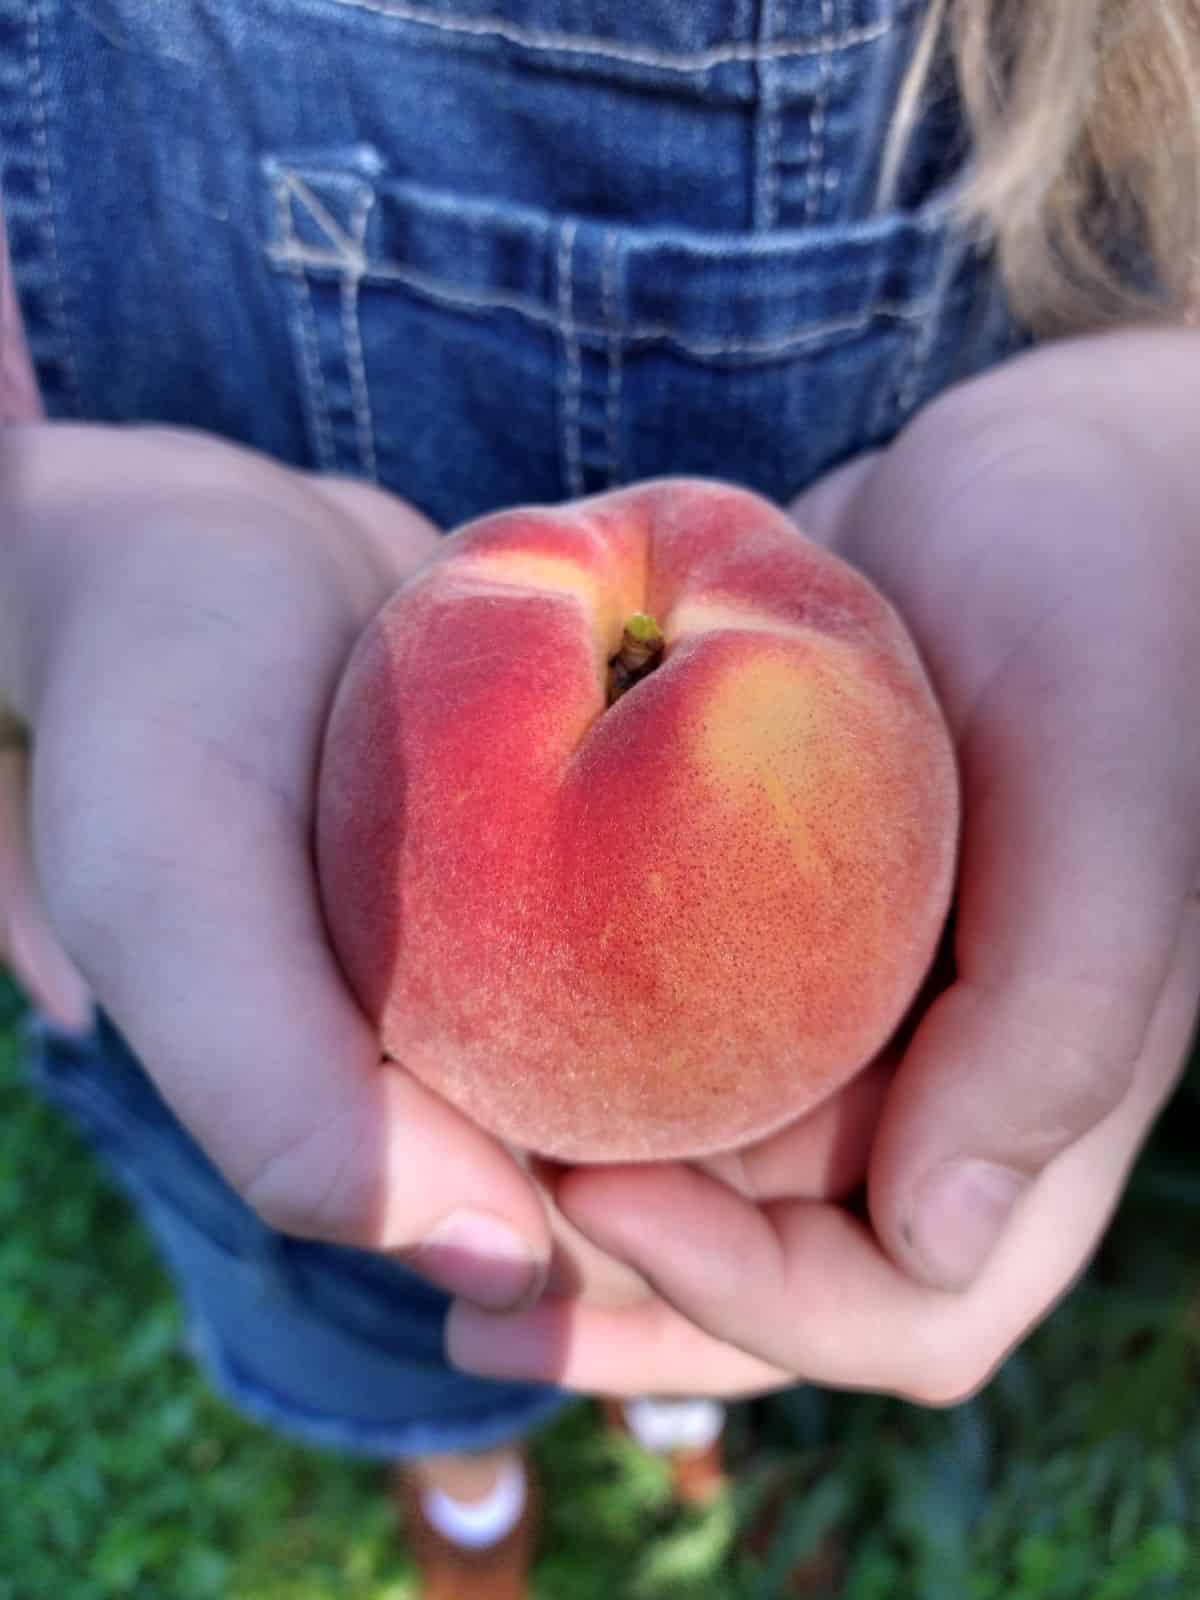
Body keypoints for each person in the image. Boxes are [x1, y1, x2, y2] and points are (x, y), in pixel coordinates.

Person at [2, 1, 1199, 1593]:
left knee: (654, 1287)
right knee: (392, 1293)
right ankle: (469, 1479)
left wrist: (1151, 431)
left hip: (787, 1100)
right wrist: (50, 547)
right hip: (251, 888)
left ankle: (650, 1409)